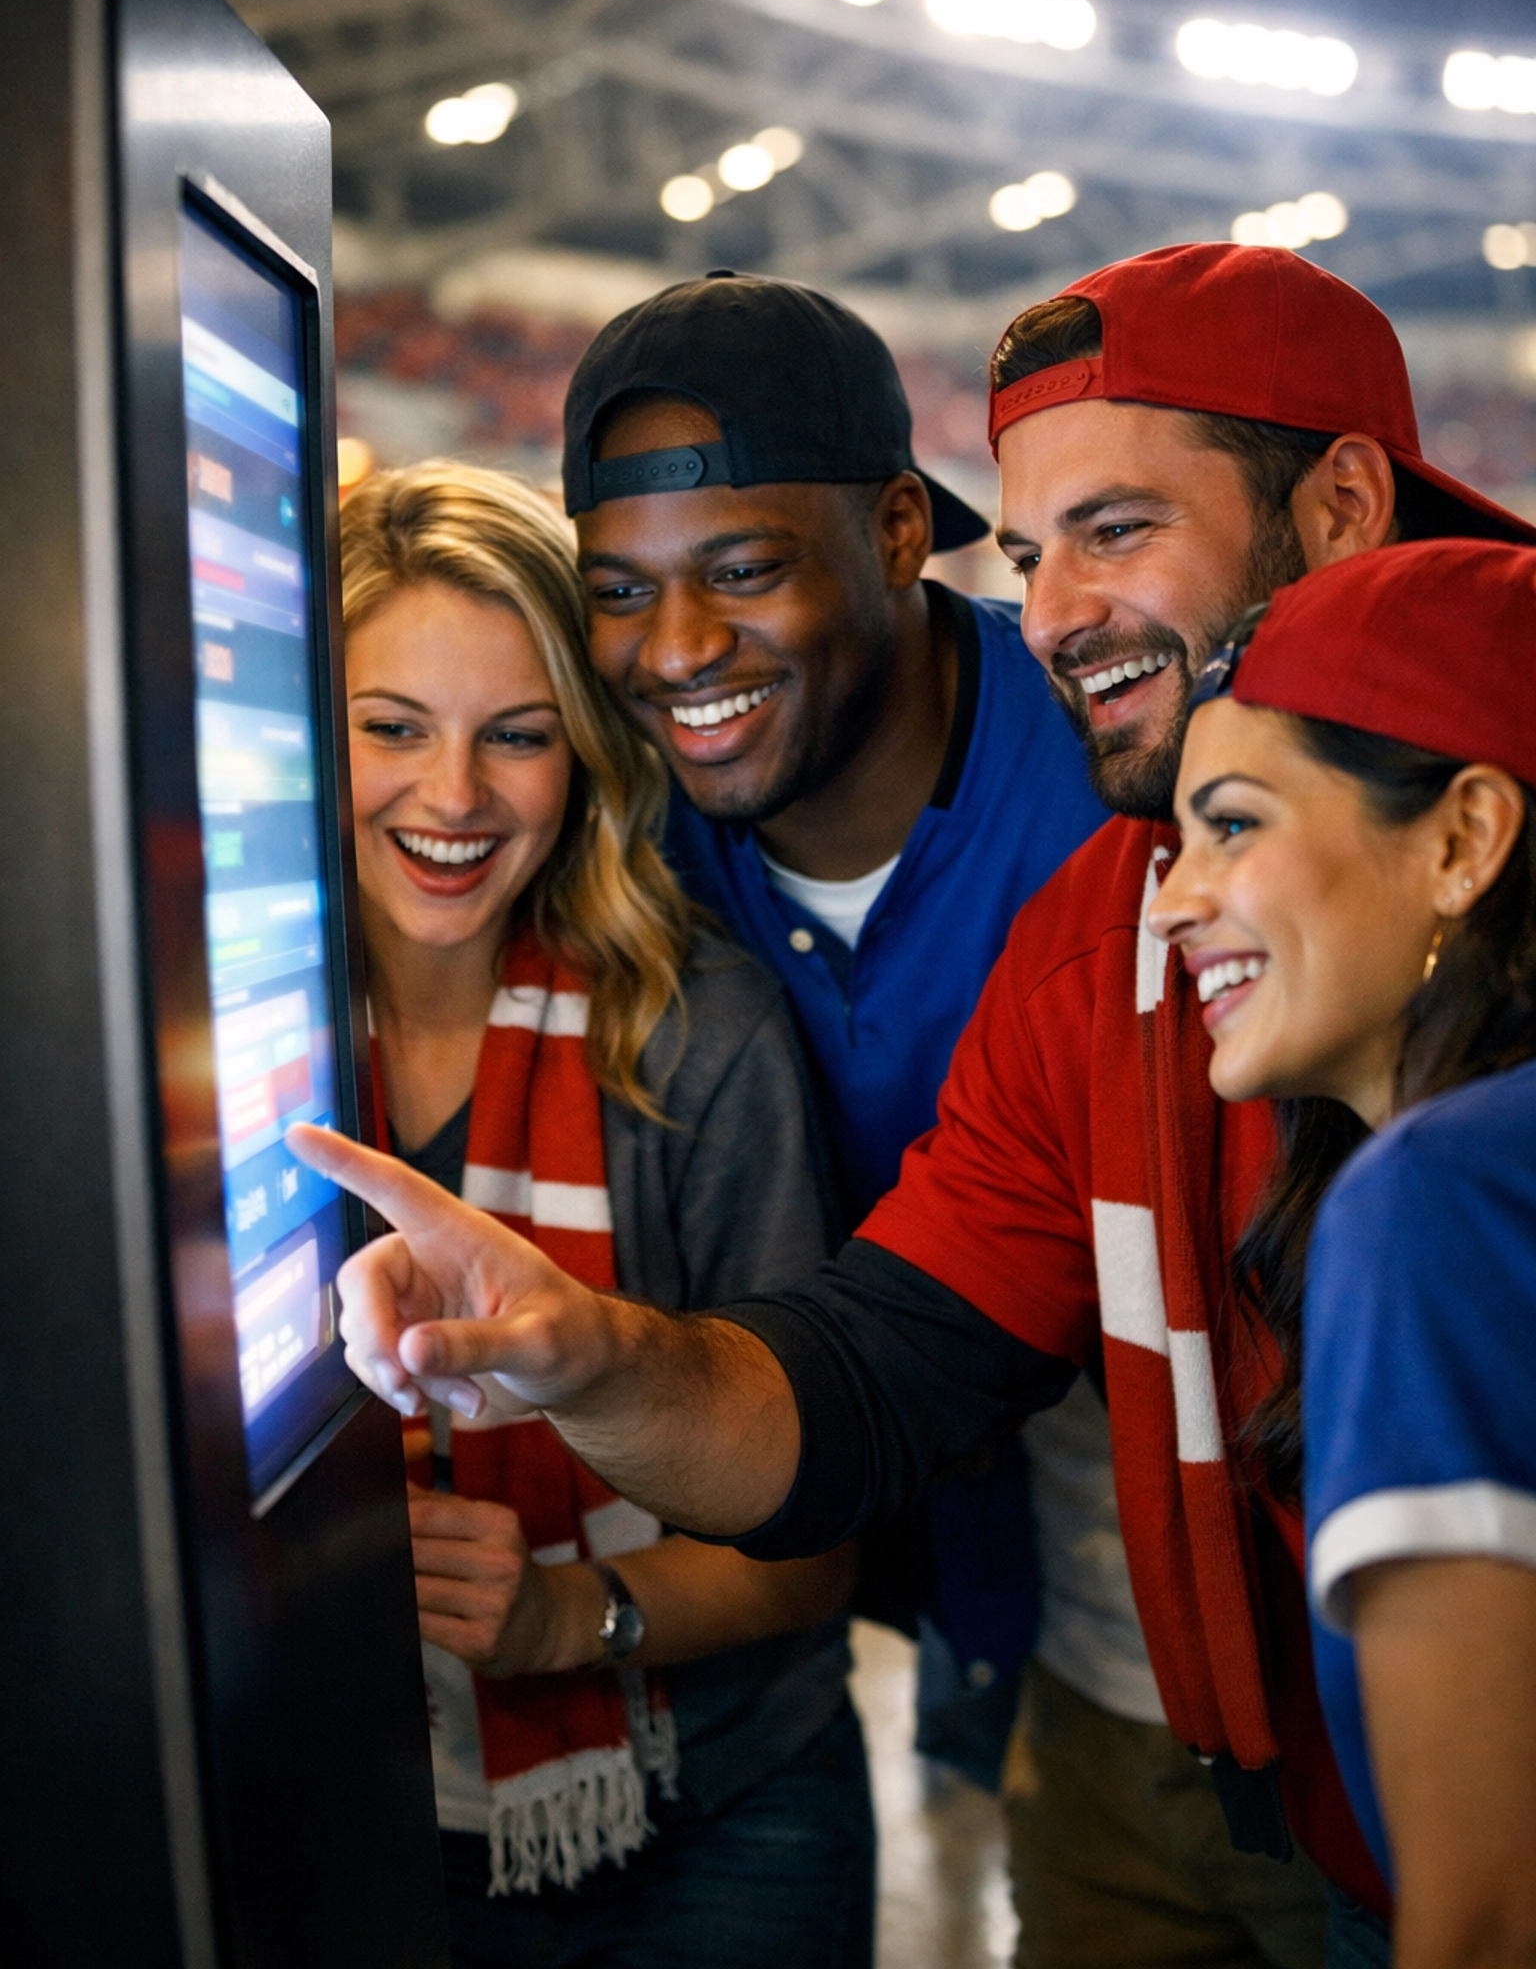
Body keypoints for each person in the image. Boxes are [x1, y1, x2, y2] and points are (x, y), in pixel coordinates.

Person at [296, 244, 1535, 1968]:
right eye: (1030, 556)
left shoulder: (1421, 1159)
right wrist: (591, 1356)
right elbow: (874, 1367)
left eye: (1116, 532)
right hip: (1146, 1698)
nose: (1057, 615)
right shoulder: (1096, 927)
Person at [563, 266, 1152, 1837]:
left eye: (744, 569)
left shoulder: (1119, 774)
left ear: (898, 531)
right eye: (620, 590)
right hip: (856, 1533)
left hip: (1173, 1557)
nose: (678, 649)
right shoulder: (614, 836)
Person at [337, 460, 872, 1969]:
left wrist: (564, 1619)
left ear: (583, 753)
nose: (454, 796)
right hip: (348, 1805)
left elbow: (815, 1540)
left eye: (518, 735)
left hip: (720, 1812)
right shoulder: (212, 1042)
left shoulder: (705, 1036)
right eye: (392, 727)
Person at [1146, 540, 1536, 1969]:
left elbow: (1486, 1918)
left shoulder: (1438, 1200)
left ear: (1463, 839)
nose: (1172, 899)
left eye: (1234, 827)